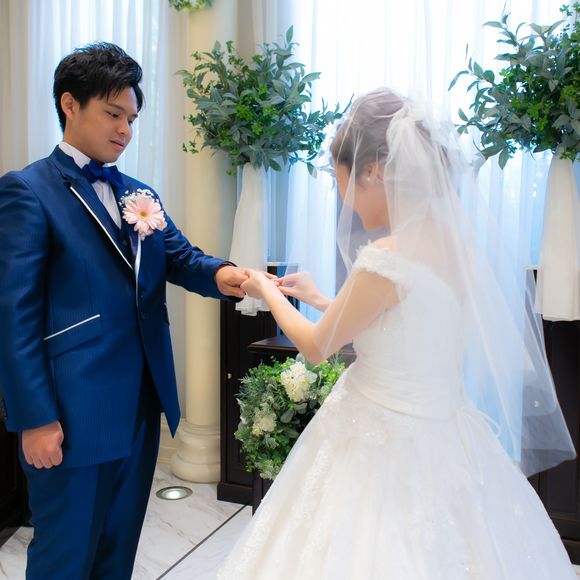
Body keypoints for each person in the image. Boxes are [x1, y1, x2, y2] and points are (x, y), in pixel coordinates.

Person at [217, 88, 577, 579]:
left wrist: (265, 289)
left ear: (372, 172)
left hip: (376, 438)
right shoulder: (455, 246)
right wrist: (320, 298)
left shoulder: (387, 257)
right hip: (447, 433)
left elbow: (317, 347)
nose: (345, 200)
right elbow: (408, 323)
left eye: (342, 182)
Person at [0, 42, 248, 579]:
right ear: (70, 104)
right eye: (114, 114)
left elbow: (180, 257)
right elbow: (14, 318)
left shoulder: (139, 194)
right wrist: (35, 418)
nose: (125, 130)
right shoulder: (27, 191)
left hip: (139, 406)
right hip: (73, 411)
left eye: (131, 119)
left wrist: (224, 275)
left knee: (118, 554)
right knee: (65, 557)